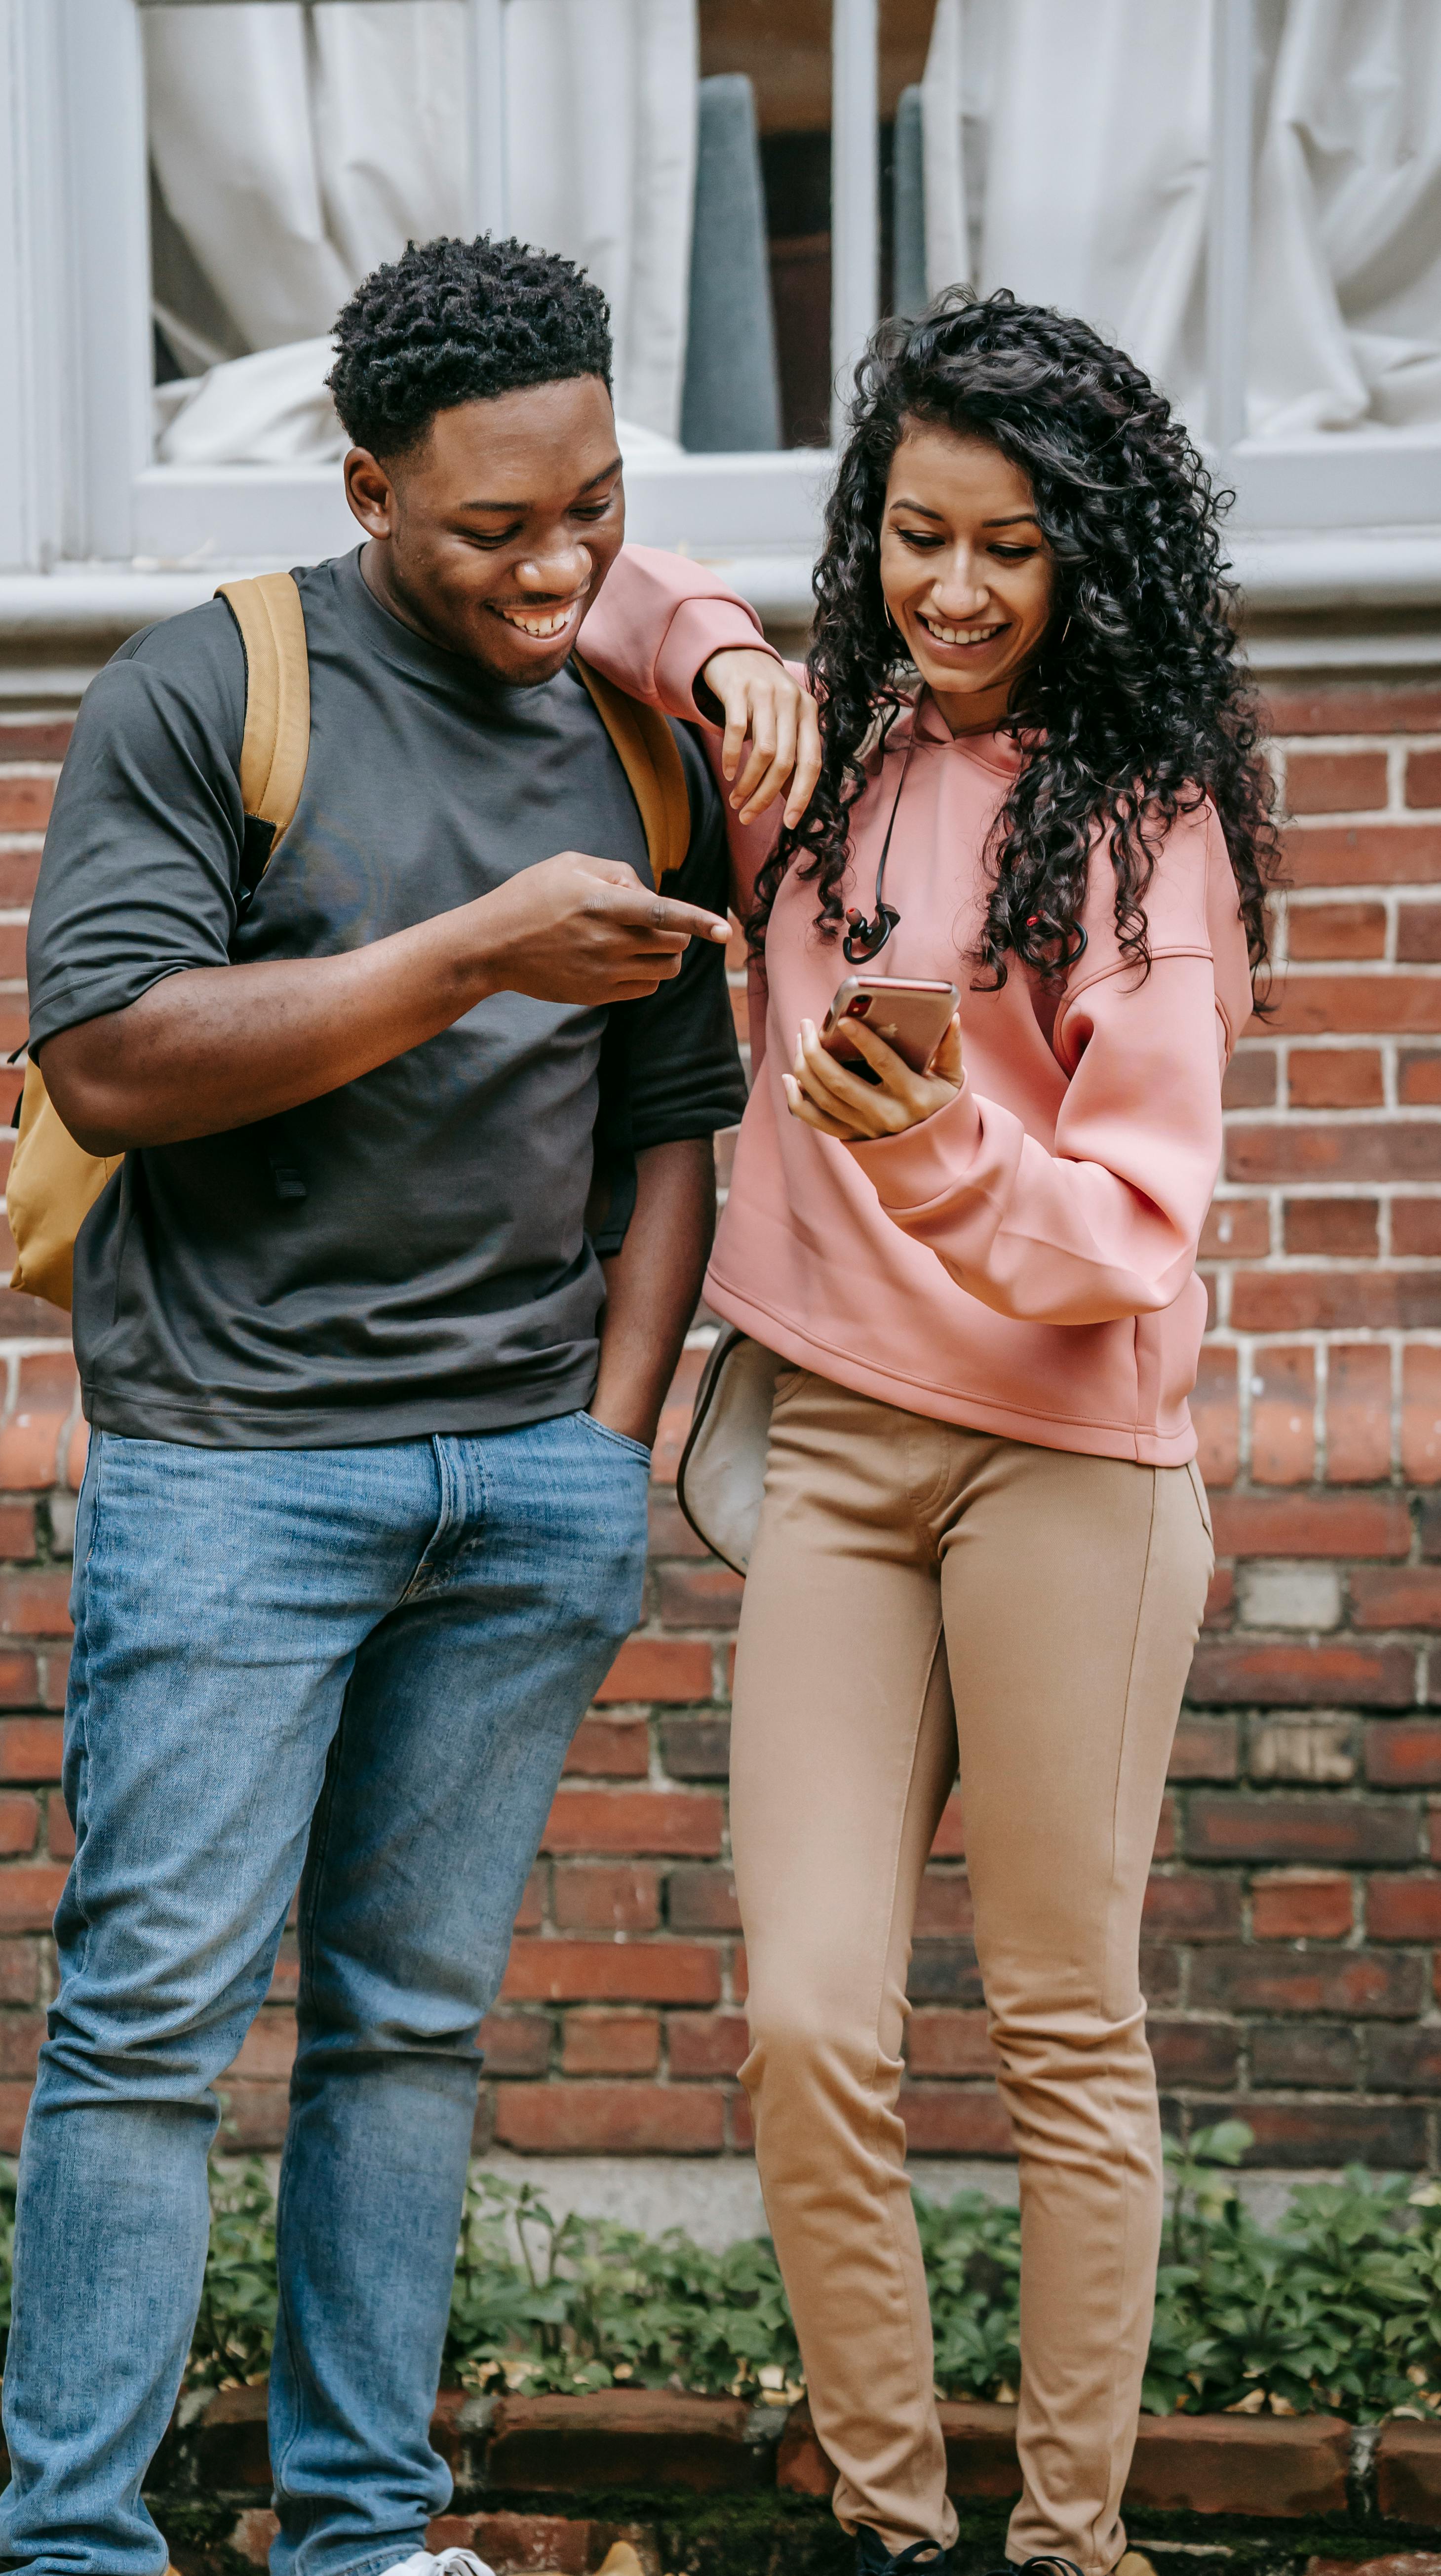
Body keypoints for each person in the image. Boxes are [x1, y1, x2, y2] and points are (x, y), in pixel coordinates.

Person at [0, 234, 818, 2576]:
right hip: (235, 1471)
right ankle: (75, 2549)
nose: (559, 565)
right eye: (494, 530)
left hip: (521, 1480)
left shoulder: (644, 731)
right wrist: (466, 950)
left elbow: (676, 1100)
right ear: (369, 490)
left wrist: (609, 1434)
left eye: (596, 509)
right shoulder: (205, 690)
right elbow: (117, 1060)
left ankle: (360, 2534)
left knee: (410, 2035)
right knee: (150, 2023)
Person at [580, 290, 1279, 2576]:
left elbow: (1136, 1240)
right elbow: (566, 566)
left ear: (1091, 560)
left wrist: (943, 1147)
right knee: (804, 2021)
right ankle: (896, 2522)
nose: (954, 594)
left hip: (1072, 1465)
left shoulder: (1149, 833)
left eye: (1008, 550)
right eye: (911, 536)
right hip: (845, 1461)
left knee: (1066, 2030)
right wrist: (718, 657)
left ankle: (1068, 2538)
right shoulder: (824, 765)